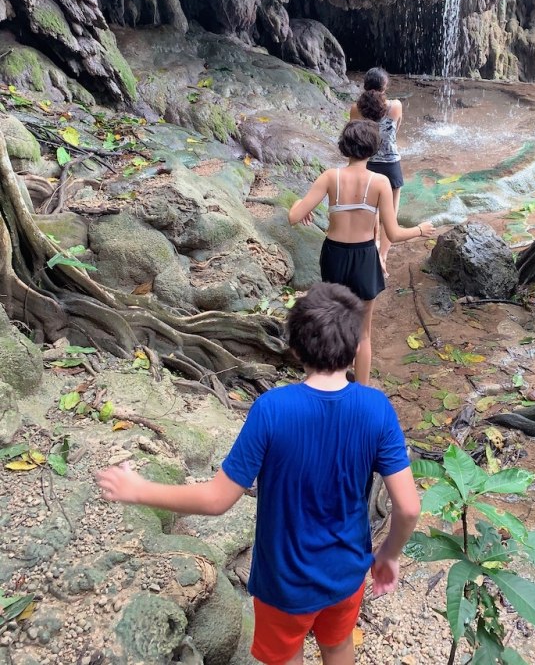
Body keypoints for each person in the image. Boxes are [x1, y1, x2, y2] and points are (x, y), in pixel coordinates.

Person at [96, 282, 421, 665]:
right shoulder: (376, 408)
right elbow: (410, 508)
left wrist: (139, 489)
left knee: (285, 655)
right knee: (338, 645)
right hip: (347, 572)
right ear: (354, 350)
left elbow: (218, 499)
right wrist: (389, 555)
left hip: (285, 582)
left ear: (295, 349)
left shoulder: (272, 409)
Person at [288, 120, 434, 385]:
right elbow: (394, 234)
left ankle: (330, 379)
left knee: (333, 320)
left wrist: (300, 203)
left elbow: (293, 217)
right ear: (373, 149)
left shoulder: (330, 176)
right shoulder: (380, 182)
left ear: (345, 147)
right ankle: (362, 392)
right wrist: (420, 230)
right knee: (364, 333)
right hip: (365, 257)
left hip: (334, 255)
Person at [349, 68, 403, 277]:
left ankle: (371, 256)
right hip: (390, 166)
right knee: (391, 215)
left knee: (371, 213)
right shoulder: (395, 106)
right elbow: (395, 131)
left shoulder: (355, 109)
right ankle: (383, 257)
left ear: (364, 86)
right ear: (385, 86)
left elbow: (354, 136)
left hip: (368, 165)